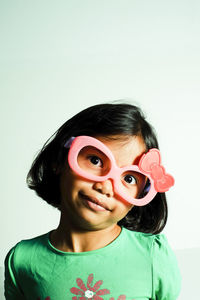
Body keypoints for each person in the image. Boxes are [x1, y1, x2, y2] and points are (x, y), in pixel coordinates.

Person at [4, 102, 181, 300]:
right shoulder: (22, 260)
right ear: (60, 159)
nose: (105, 187)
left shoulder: (153, 257)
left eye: (129, 179)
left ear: (140, 195)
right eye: (95, 160)